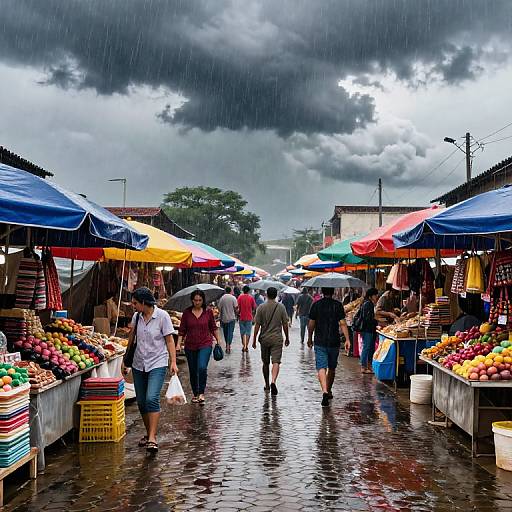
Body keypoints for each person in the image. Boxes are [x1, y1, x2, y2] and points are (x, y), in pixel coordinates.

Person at [123, 287, 178, 453]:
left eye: (135, 303)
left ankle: (153, 438)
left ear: (144, 302)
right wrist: (125, 360)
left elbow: (169, 340)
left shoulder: (162, 317)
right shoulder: (137, 316)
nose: (132, 305)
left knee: (151, 398)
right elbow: (132, 338)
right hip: (139, 363)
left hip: (157, 363)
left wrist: (173, 362)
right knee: (141, 402)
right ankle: (148, 434)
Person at [176, 290, 221, 405]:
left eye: (200, 300)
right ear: (192, 300)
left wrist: (218, 341)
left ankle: (201, 393)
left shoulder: (208, 312)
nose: (197, 302)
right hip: (190, 345)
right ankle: (195, 393)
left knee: (201, 367)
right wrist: (178, 344)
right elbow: (182, 330)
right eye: (195, 300)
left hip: (205, 343)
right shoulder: (186, 313)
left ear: (203, 301)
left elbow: (213, 327)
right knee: (193, 370)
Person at [307, 287, 350, 407]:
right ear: (333, 292)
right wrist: (347, 339)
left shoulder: (316, 305)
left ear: (322, 292)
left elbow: (311, 324)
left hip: (320, 340)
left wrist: (310, 337)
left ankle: (325, 391)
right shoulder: (338, 305)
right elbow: (342, 323)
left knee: (321, 367)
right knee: (332, 367)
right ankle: (329, 390)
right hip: (334, 341)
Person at [251, 286, 289, 396]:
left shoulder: (261, 307)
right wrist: (287, 337)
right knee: (276, 361)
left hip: (265, 339)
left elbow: (257, 325)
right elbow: (285, 324)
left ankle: (267, 384)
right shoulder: (281, 307)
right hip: (277, 338)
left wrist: (254, 340)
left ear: (267, 295)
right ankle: (273, 381)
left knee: (265, 363)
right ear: (276, 295)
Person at [358, 288, 379, 374]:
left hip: (370, 329)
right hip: (367, 329)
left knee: (370, 348)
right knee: (366, 347)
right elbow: (367, 318)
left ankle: (369, 366)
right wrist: (376, 321)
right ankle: (363, 367)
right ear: (371, 296)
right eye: (375, 295)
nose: (377, 297)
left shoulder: (369, 303)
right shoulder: (368, 304)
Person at [217, 286, 238, 354]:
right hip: (232, 318)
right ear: (230, 291)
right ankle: (228, 345)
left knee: (225, 332)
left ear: (225, 291)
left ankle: (227, 344)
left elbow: (219, 308)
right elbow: (236, 308)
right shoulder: (233, 298)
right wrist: (236, 313)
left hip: (224, 318)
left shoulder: (222, 298)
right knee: (230, 332)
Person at [237, 285, 257, 352]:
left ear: (243, 290)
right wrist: (253, 315)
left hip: (241, 317)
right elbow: (254, 308)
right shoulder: (251, 298)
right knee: (248, 333)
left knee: (242, 333)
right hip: (249, 317)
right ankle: (246, 346)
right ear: (248, 291)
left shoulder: (240, 297)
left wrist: (238, 313)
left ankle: (244, 346)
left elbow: (238, 308)